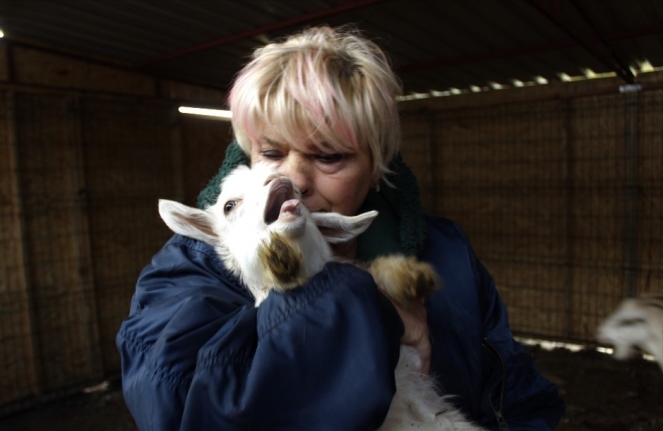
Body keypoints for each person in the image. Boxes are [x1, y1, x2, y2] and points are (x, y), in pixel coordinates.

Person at [117, 26, 565, 431]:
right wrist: (368, 312)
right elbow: (177, 409)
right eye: (271, 152)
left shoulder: (446, 252)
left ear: (376, 167)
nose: (292, 180)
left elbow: (519, 398)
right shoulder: (192, 268)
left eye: (329, 156)